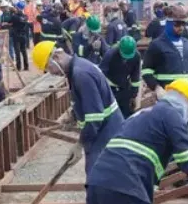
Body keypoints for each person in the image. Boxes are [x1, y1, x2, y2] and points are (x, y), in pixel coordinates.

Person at [32, 40, 123, 175]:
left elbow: (94, 117)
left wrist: (79, 144)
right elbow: (86, 102)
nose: (50, 73)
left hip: (106, 133)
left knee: (98, 177)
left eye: (48, 67)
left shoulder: (81, 74)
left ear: (56, 57)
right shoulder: (76, 69)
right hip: (104, 130)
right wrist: (74, 117)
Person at [99, 35, 141, 118]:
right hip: (110, 88)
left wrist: (133, 95)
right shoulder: (110, 54)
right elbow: (100, 74)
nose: (126, 59)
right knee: (111, 114)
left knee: (126, 113)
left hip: (124, 87)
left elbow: (135, 77)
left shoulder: (136, 56)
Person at [9, 1, 32, 71]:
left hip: (16, 35)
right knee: (24, 51)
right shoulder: (25, 17)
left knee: (17, 51)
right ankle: (26, 66)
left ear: (18, 8)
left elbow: (10, 22)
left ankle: (18, 67)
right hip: (23, 35)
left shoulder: (14, 16)